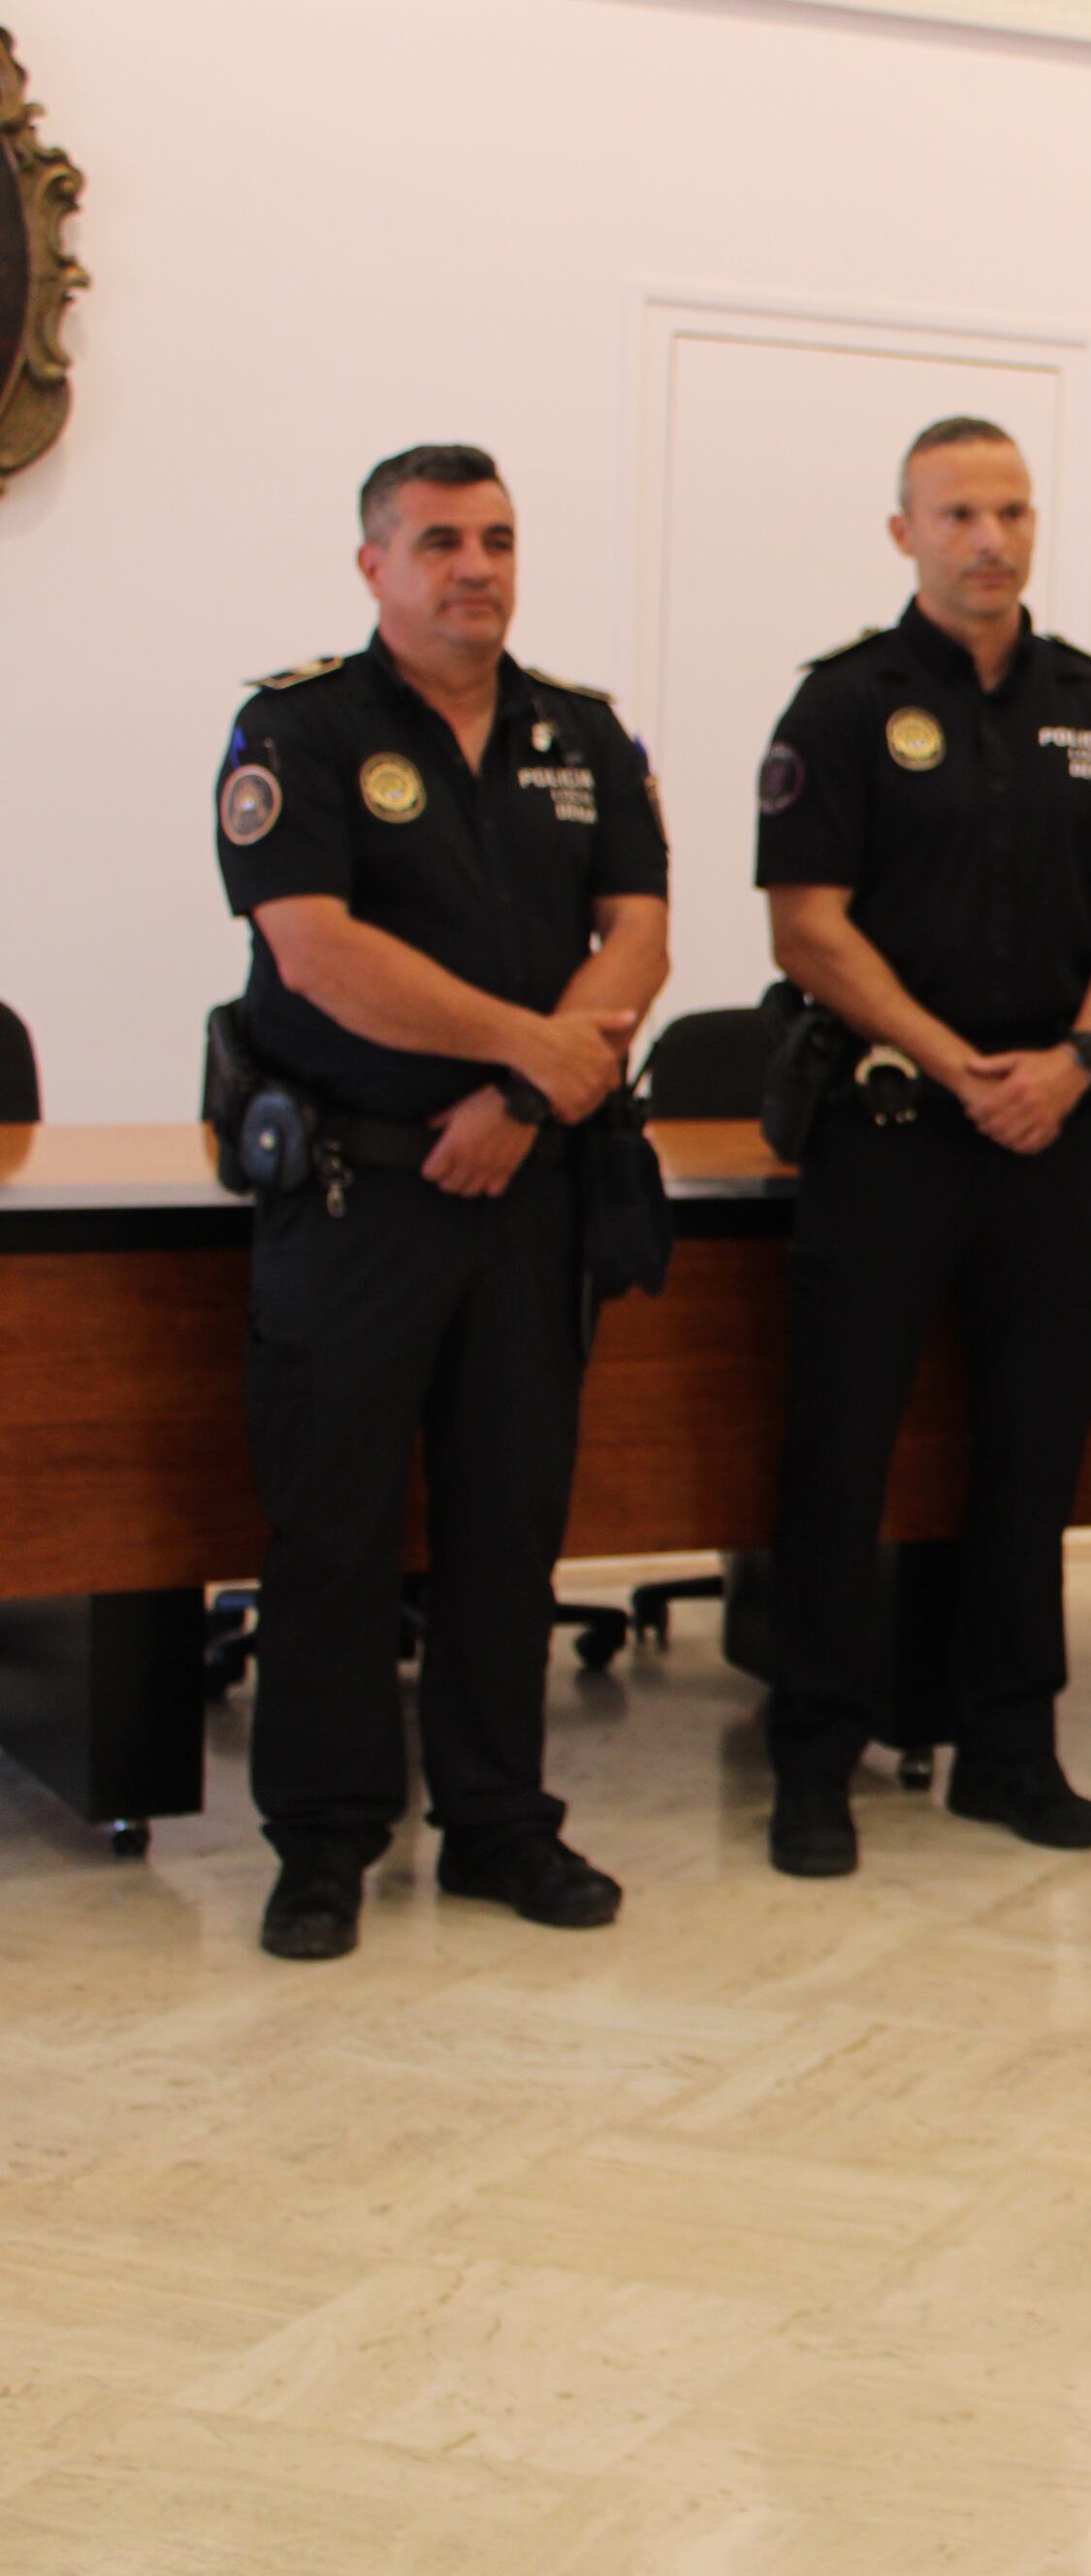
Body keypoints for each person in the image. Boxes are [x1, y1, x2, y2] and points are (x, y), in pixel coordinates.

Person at [212, 444, 671, 1961]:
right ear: (373, 567)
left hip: (526, 1191)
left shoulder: (583, 735)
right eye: (437, 542)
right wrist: (522, 1045)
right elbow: (317, 953)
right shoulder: (302, 727)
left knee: (507, 1523)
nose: (473, 566)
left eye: (496, 539)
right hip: (360, 1194)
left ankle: (495, 1824)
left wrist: (530, 1098)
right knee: (334, 1528)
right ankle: (327, 1843)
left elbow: (641, 933)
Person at [753, 417, 1091, 1877]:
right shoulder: (841, 703)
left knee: (1033, 1457)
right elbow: (807, 929)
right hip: (887, 1134)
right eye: (956, 515)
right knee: (841, 1455)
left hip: (1049, 1142)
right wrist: (959, 1065)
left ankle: (1012, 1751)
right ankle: (812, 1761)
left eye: (1010, 512)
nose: (988, 539)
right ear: (903, 535)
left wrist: (1073, 1065)